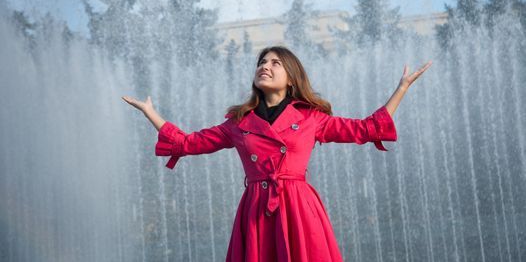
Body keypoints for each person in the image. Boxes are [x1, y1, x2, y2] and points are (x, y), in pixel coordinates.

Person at [122, 45, 432, 262]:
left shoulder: (312, 118)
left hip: (299, 207)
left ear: (292, 77)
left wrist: (401, 88)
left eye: (274, 63)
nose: (264, 67)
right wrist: (151, 113)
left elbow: (366, 129)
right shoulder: (238, 122)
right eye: (261, 62)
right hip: (256, 210)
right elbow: (188, 143)